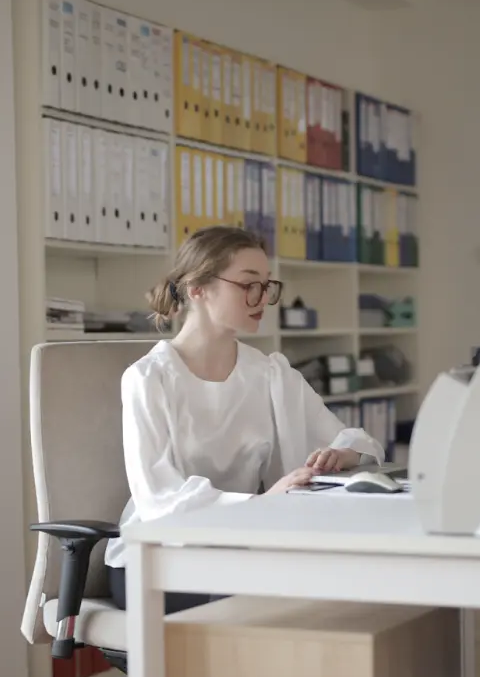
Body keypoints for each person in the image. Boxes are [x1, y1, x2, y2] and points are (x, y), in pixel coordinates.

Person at [106, 226, 385, 612]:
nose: (262, 299)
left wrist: (343, 455)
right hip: (159, 558)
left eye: (267, 286)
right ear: (197, 288)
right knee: (276, 599)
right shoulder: (149, 378)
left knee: (335, 581)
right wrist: (261, 504)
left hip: (245, 545)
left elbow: (358, 441)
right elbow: (159, 501)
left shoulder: (271, 373)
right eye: (247, 285)